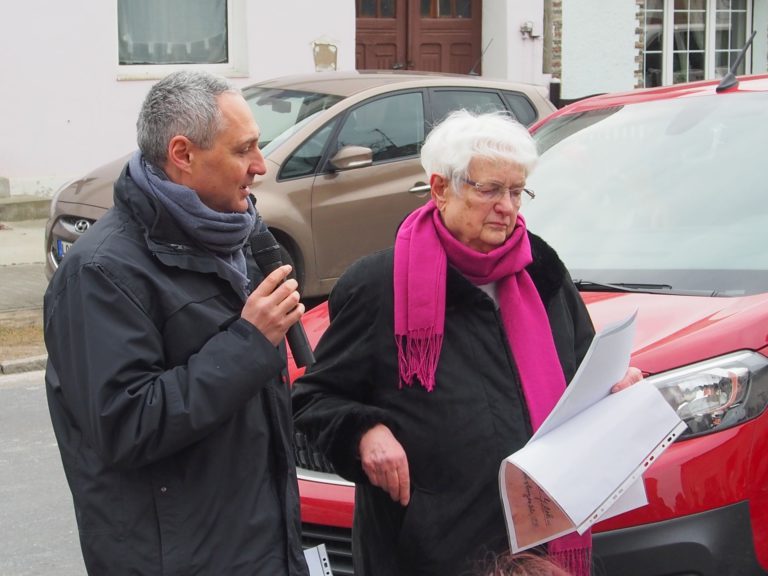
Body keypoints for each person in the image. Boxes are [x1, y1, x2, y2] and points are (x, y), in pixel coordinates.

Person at [292, 110, 642, 576]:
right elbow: (314, 399)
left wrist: (615, 390)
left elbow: (581, 373)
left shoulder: (542, 271)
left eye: (517, 191)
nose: (507, 206)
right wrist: (364, 432)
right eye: (490, 189)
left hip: (537, 543)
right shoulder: (380, 285)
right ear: (440, 189)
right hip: (428, 549)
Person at [44, 70, 309, 576]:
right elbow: (124, 425)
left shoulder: (238, 237)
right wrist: (249, 343)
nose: (260, 166)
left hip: (259, 546)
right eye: (243, 150)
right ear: (183, 155)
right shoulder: (100, 273)